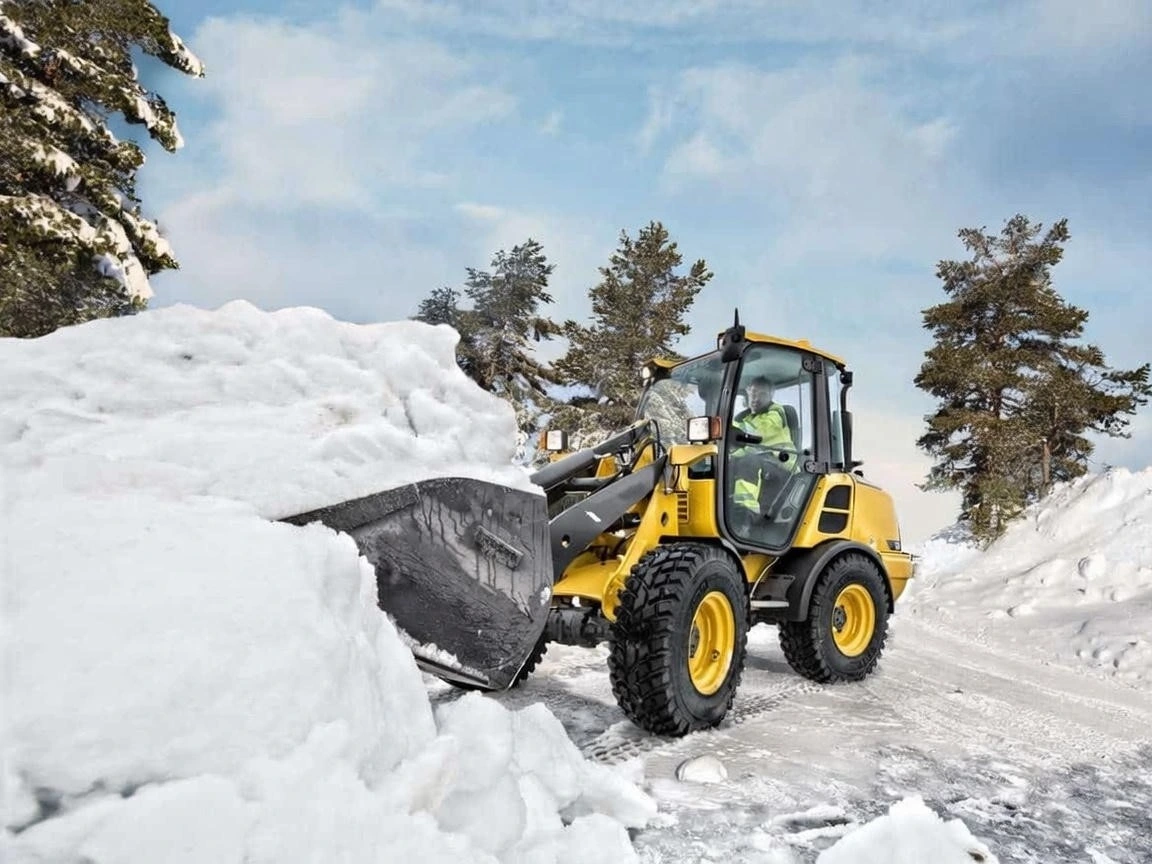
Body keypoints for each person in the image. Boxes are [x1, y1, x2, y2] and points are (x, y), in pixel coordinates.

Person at [729, 375, 797, 516]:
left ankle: (746, 513)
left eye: (762, 394)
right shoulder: (745, 418)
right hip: (764, 461)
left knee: (748, 462)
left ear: (771, 396)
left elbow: (757, 433)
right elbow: (743, 448)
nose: (756, 399)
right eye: (753, 394)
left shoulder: (776, 413)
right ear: (748, 393)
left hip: (784, 467)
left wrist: (728, 428)